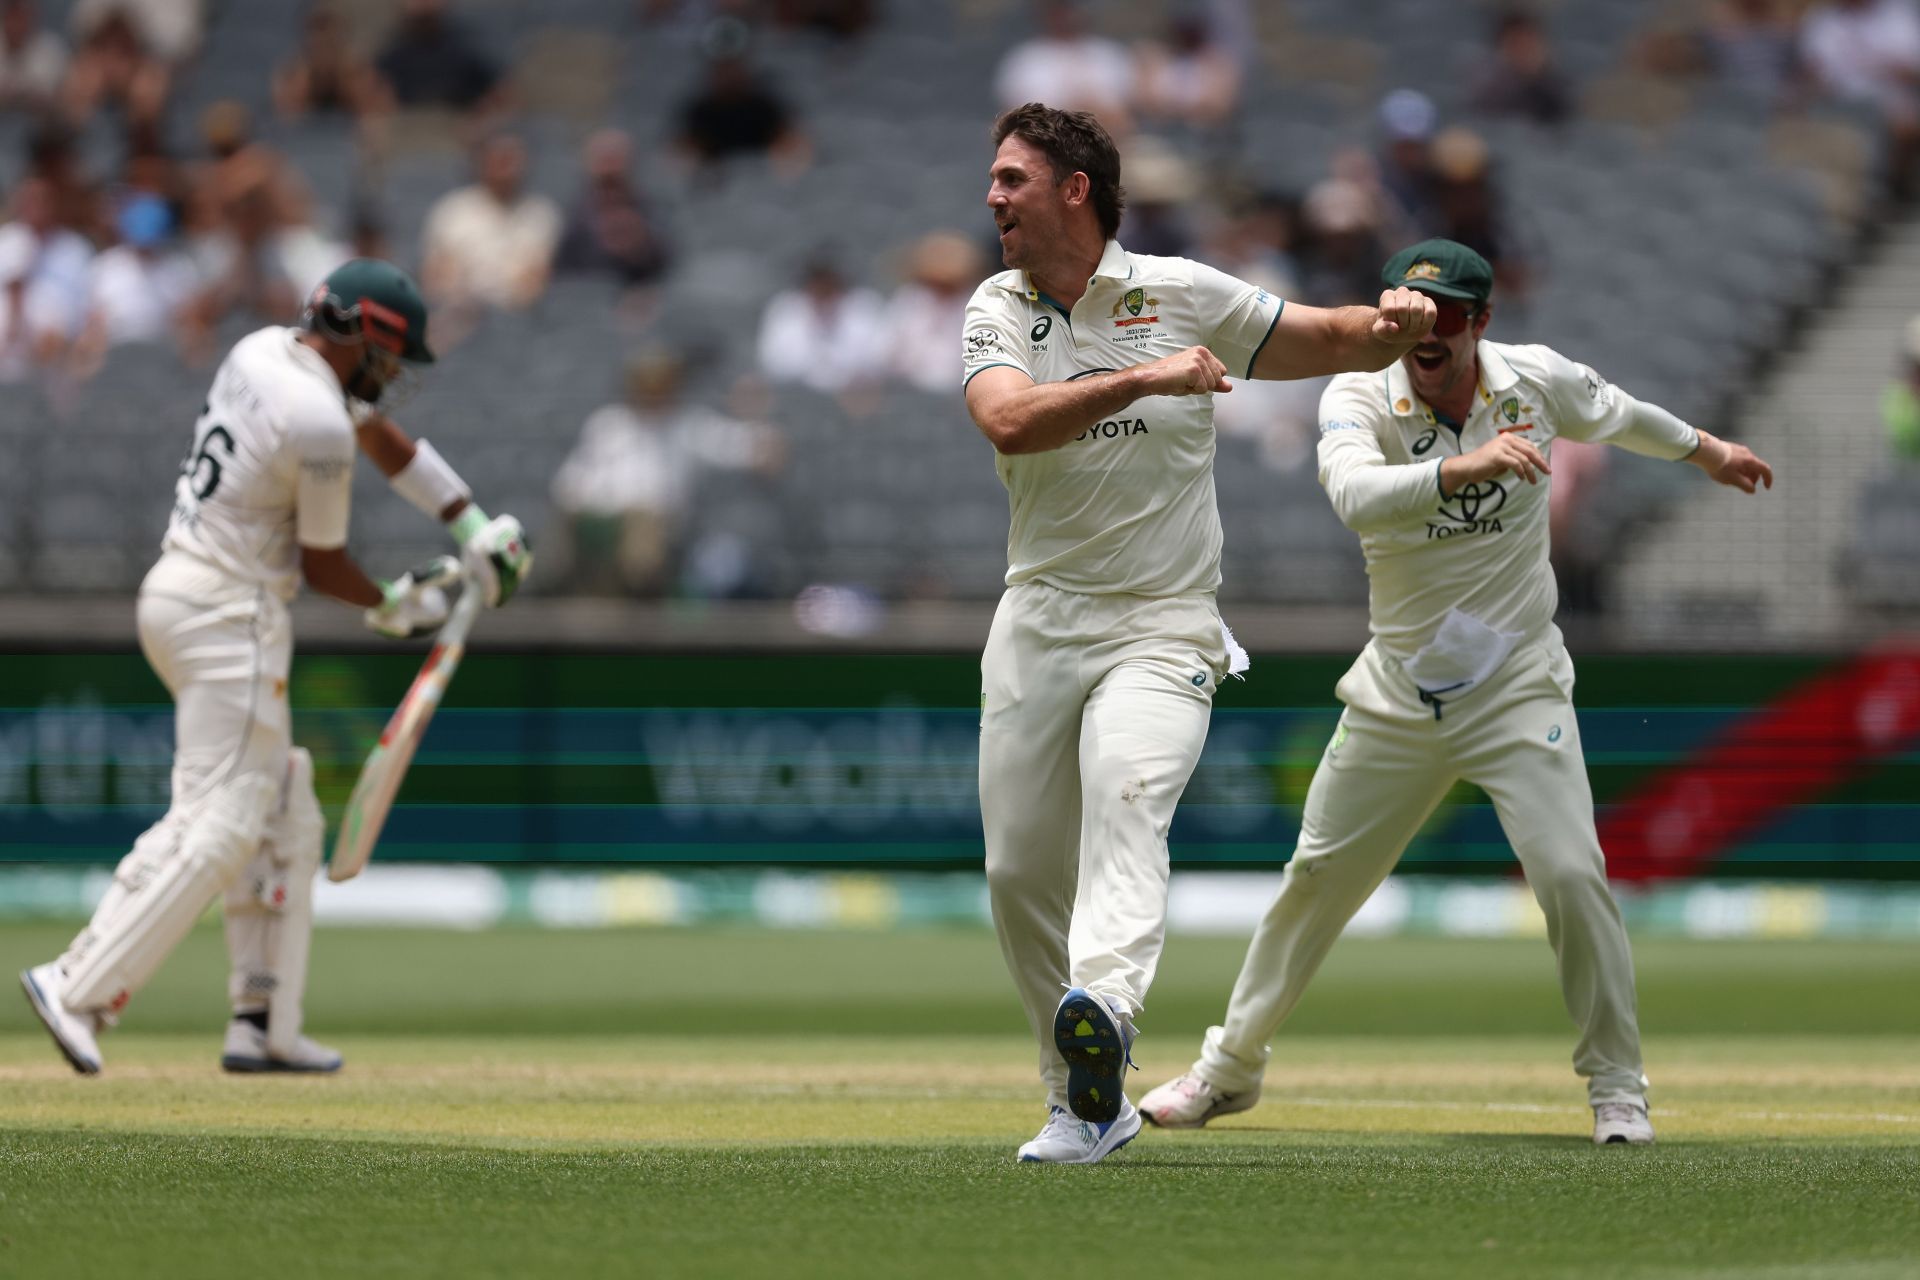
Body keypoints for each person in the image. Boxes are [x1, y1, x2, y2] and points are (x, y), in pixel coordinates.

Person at [1137, 239, 1773, 1146]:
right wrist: (1465, 470)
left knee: (1570, 873)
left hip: (1517, 685)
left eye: (1443, 319)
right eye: (1408, 315)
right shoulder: (1359, 390)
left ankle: (1618, 1088)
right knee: (1315, 880)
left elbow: (1620, 412)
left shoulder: (1534, 381)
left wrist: (1707, 453)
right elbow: (1355, 496)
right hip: (1400, 693)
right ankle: (1228, 1071)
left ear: (1478, 322)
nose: (1422, 334)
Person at [962, 103, 1437, 1165]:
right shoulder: (998, 305)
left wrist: (1394, 322)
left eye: (1011, 179)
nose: (992, 197)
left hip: (1163, 623)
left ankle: (1107, 1015)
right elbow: (1007, 419)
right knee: (1015, 873)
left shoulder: (1179, 291)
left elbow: (1318, 335)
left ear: (1074, 189)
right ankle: (1083, 1095)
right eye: (993, 180)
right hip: (1038, 616)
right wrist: (1149, 376)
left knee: (1129, 808)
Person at [19, 258, 533, 1076]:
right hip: (233, 620)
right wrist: (397, 604)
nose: (391, 377)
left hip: (177, 594)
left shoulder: (263, 351)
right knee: (221, 822)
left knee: (284, 809)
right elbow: (322, 562)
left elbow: (372, 430)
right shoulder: (317, 423)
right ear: (359, 338)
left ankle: (263, 1021)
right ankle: (77, 985)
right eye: (388, 358)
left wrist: (467, 522)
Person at [420, 131, 562, 316]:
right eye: (500, 160)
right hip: (460, 312)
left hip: (520, 316)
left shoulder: (542, 213)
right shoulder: (452, 211)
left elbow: (537, 278)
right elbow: (437, 274)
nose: (507, 168)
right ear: (483, 163)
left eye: (512, 160)